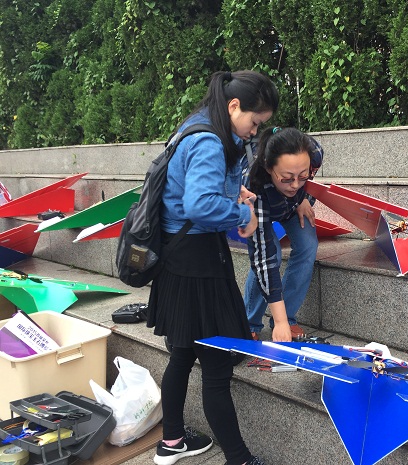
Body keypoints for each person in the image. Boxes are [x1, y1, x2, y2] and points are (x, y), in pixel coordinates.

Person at [146, 70, 278, 465]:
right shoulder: (208, 140)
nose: (255, 132)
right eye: (255, 122)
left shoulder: (197, 124)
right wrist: (243, 213)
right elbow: (199, 204)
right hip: (199, 265)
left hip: (177, 258)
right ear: (234, 106)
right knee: (217, 366)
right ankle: (240, 459)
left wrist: (232, 190)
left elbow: (189, 187)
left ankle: (172, 442)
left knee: (182, 354)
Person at [243, 126, 324, 342]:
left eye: (302, 176)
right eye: (287, 178)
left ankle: (288, 317)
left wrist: (304, 198)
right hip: (261, 208)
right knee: (273, 255)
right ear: (269, 168)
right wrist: (278, 323)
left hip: (291, 207)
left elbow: (308, 183)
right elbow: (263, 257)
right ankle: (249, 322)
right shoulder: (253, 184)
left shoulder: (315, 152)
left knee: (308, 245)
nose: (295, 184)